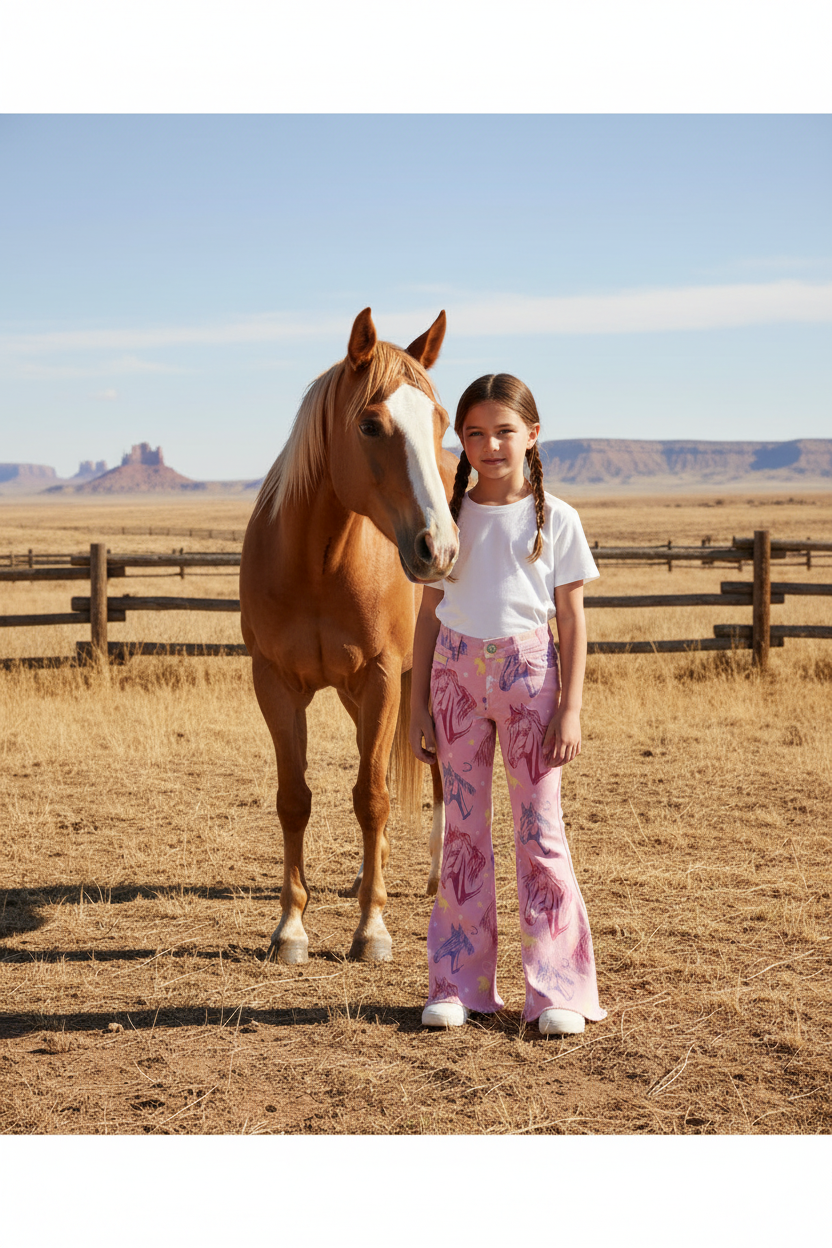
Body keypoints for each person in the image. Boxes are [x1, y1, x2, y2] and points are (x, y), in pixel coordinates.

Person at [409, 373, 607, 1036]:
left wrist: (570, 707)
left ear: (532, 436)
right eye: (474, 433)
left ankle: (557, 990)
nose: (490, 444)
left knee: (540, 836)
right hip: (455, 681)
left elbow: (572, 622)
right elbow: (428, 615)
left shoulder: (560, 520)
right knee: (463, 838)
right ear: (459, 440)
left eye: (503, 431)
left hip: (532, 685)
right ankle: (458, 983)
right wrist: (417, 708)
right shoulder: (448, 514)